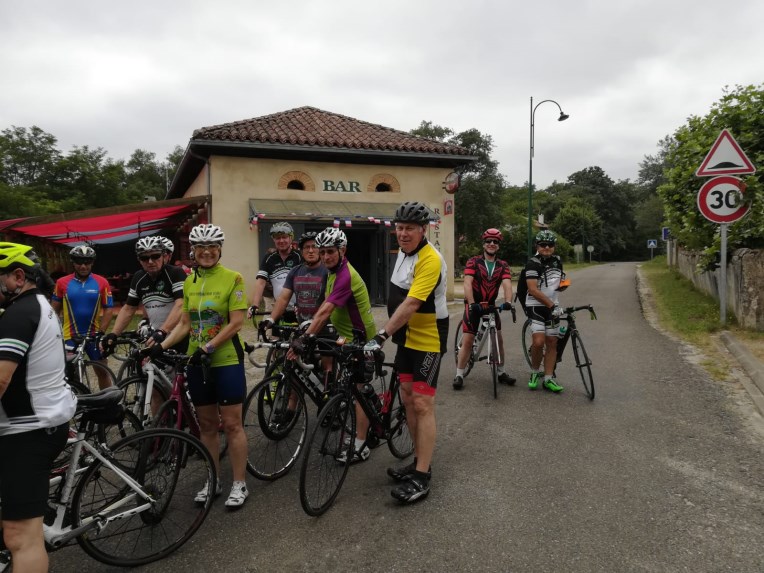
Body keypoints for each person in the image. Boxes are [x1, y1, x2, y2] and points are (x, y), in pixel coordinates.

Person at [152, 224, 251, 507]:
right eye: (200, 248)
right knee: (207, 425)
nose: (206, 252)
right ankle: (213, 479)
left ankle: (240, 484)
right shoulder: (190, 282)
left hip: (226, 360)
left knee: (232, 424)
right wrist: (161, 346)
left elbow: (236, 323)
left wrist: (208, 347)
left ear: (219, 249)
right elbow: (185, 324)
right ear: (193, 251)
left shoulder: (233, 278)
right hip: (197, 362)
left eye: (212, 247)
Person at [362, 201, 448, 504]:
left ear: (423, 229)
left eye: (409, 228)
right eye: (399, 228)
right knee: (408, 398)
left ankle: (422, 476)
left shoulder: (430, 259)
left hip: (428, 337)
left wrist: (382, 334)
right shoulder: (402, 252)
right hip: (406, 337)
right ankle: (418, 460)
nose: (403, 233)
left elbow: (411, 303)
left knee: (423, 403)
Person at [0, 242, 77, 573]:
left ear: (18, 277)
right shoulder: (34, 305)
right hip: (31, 424)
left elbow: (1, 380)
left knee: (21, 537)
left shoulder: (19, 315)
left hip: (28, 431)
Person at [286, 227, 376, 463]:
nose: (325, 256)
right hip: (345, 337)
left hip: (361, 340)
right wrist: (307, 329)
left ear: (342, 251)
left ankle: (361, 444)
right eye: (322, 251)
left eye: (330, 252)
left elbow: (326, 310)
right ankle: (366, 414)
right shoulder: (332, 272)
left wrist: (306, 338)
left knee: (359, 391)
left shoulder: (345, 275)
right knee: (344, 385)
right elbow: (323, 306)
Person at [101, 236, 188, 355]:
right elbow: (128, 308)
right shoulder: (138, 277)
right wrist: (114, 333)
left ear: (163, 256)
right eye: (144, 258)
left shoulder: (175, 273)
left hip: (178, 336)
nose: (150, 261)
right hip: (155, 338)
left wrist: (163, 330)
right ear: (139, 260)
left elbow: (180, 304)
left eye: (155, 256)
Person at [453, 228, 516, 390]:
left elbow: (507, 284)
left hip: (491, 305)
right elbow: (467, 283)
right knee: (468, 340)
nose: (492, 244)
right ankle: (459, 374)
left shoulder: (503, 265)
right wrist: (472, 303)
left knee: (499, 340)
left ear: (498, 245)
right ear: (484, 244)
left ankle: (501, 372)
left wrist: (508, 301)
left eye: (495, 242)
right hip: (474, 304)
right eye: (488, 241)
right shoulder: (473, 262)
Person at [51, 245, 114, 390]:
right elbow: (54, 310)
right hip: (70, 336)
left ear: (92, 263)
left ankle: (107, 401)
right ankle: (76, 400)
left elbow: (108, 309)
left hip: (94, 335)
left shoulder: (102, 282)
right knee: (71, 376)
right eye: (79, 262)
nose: (83, 266)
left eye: (87, 262)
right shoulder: (61, 282)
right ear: (73, 263)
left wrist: (101, 332)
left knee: (103, 372)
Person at [524, 230, 565, 393]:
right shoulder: (532, 263)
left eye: (550, 244)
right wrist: (551, 305)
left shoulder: (557, 261)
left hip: (552, 305)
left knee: (552, 342)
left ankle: (548, 378)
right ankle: (535, 372)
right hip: (536, 306)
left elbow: (559, 283)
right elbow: (533, 290)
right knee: (539, 342)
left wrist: (564, 285)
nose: (547, 247)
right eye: (543, 244)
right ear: (537, 246)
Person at [248, 222, 302, 320]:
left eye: (284, 237)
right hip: (279, 308)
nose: (281, 241)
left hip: (299, 308)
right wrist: (255, 305)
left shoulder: (299, 256)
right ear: (273, 239)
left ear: (291, 238)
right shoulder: (269, 258)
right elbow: (261, 282)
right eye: (277, 238)